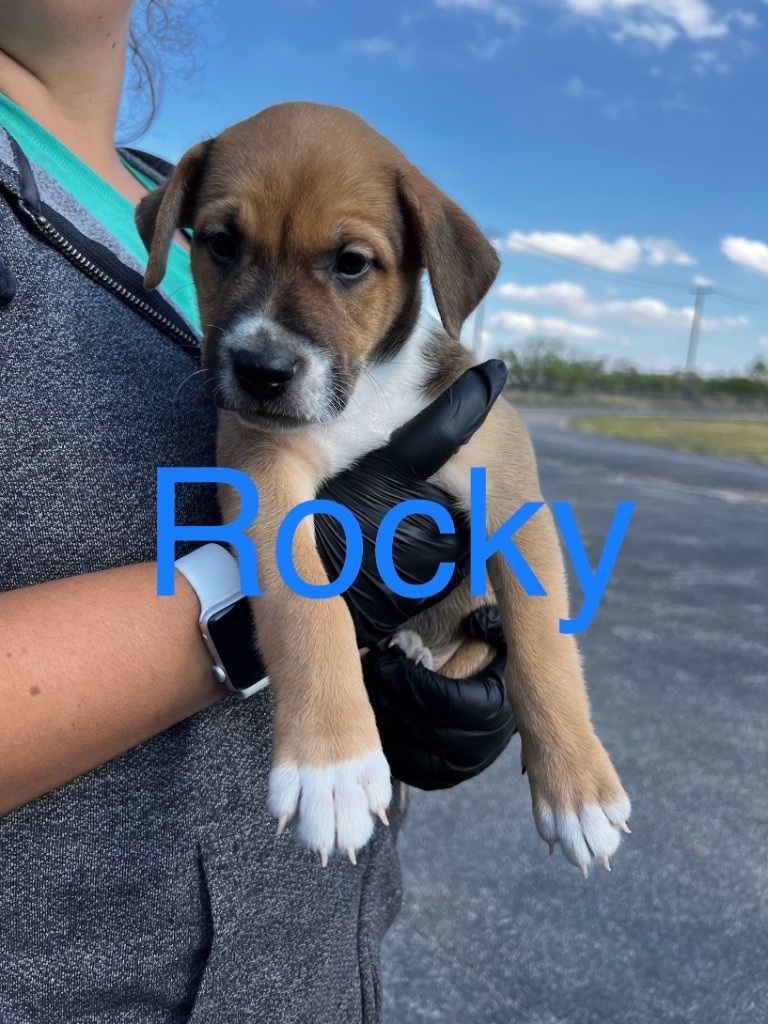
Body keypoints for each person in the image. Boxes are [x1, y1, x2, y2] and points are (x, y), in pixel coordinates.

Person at [0, 2, 514, 1021]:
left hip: (320, 971)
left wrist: (431, 638)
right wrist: (270, 603)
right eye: (223, 251)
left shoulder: (199, 185)